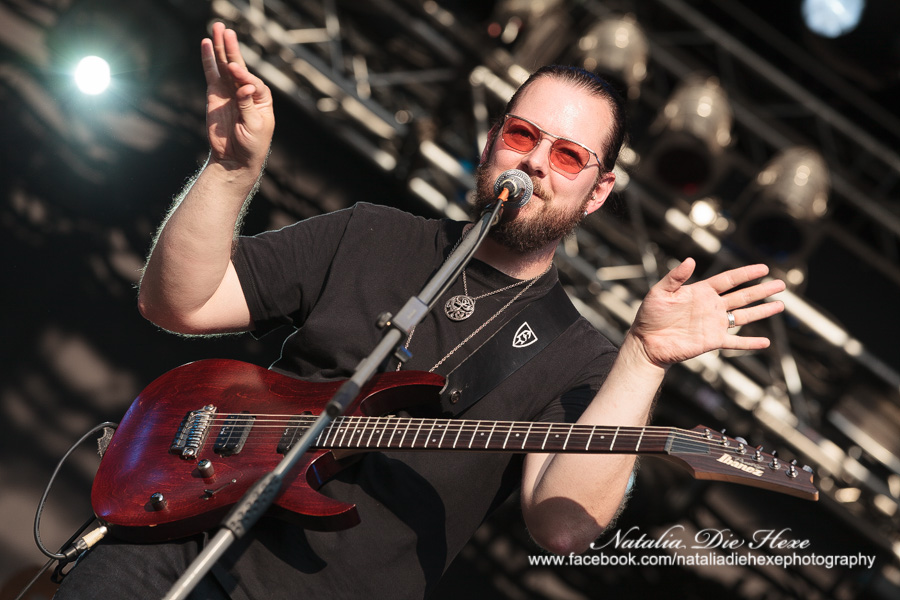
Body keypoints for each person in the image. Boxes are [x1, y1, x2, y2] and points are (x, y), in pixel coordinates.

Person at [54, 22, 785, 600]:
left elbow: (562, 525)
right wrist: (231, 171)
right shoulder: (372, 233)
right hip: (168, 548)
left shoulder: (583, 359)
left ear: (598, 192)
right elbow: (176, 300)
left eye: (568, 156)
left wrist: (644, 359)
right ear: (491, 140)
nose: (535, 162)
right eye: (523, 135)